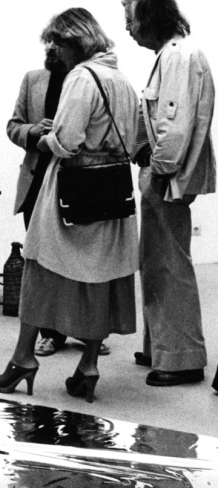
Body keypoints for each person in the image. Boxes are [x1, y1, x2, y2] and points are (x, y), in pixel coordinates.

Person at [0, 8, 138, 403]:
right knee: (100, 276)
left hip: (72, 186)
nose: (54, 48)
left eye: (59, 41)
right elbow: (138, 136)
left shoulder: (82, 76)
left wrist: (46, 140)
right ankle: (88, 366)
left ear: (78, 40)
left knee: (39, 268)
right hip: (112, 188)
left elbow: (67, 138)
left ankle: (23, 359)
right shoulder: (121, 78)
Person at [122, 0, 216, 387]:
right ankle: (163, 347)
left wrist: (156, 166)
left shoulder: (178, 57)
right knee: (158, 260)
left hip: (166, 176)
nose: (128, 28)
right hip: (165, 173)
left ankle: (181, 359)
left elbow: (174, 127)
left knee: (169, 265)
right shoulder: (173, 55)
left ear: (150, 16)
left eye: (130, 18)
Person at [6, 30, 111, 358]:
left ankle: (85, 330)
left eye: (58, 45)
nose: (53, 50)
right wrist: (33, 131)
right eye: (49, 45)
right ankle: (52, 333)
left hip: (79, 180)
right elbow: (13, 125)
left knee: (81, 259)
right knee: (43, 263)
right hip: (38, 180)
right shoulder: (33, 80)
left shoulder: (88, 79)